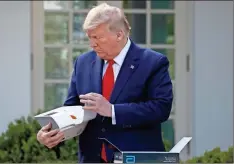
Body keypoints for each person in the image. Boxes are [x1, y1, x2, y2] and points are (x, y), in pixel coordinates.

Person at [37, 2, 173, 163]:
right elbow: (72, 108)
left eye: (98, 37)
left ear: (119, 35)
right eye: (90, 37)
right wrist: (53, 130)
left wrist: (112, 110)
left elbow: (161, 108)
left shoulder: (153, 62)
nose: (92, 44)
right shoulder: (83, 62)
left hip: (137, 159)